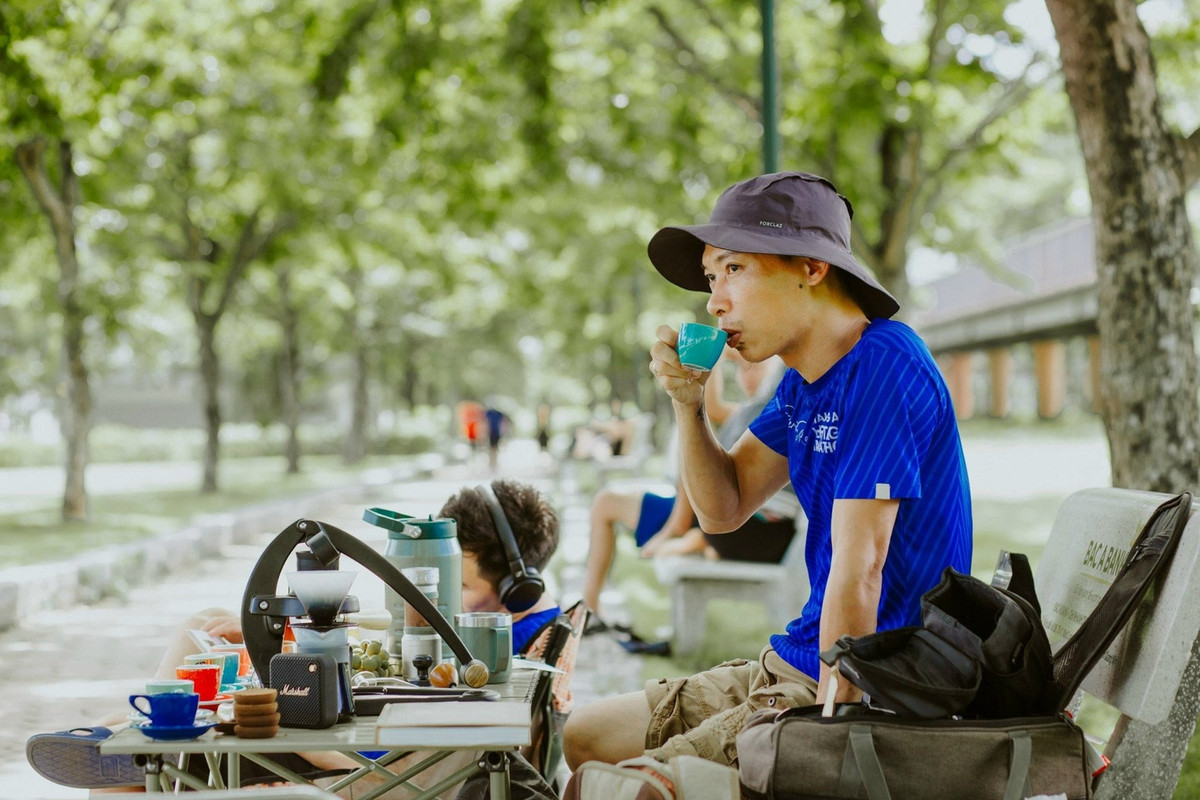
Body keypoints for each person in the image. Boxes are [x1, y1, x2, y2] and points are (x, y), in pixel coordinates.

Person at [563, 171, 972, 769]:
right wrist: (688, 404)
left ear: (811, 267)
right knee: (586, 735)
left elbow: (861, 572)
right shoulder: (802, 385)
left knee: (628, 785)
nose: (714, 300)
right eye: (711, 277)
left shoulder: (885, 363)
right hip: (793, 659)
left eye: (734, 269)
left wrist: (828, 737)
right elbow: (722, 509)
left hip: (872, 682)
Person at [29, 479, 563, 795]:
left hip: (352, 759)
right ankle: (119, 735)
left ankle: (126, 740)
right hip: (365, 738)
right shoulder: (524, 626)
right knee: (205, 623)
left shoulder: (494, 643)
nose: (441, 599)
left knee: (115, 784)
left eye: (459, 583)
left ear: (516, 586)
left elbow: (431, 722)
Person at [580, 349, 800, 620]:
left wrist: (676, 526)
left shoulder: (775, 406)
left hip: (748, 526)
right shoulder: (746, 412)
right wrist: (716, 354)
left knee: (612, 499)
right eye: (741, 370)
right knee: (616, 497)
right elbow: (713, 406)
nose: (746, 377)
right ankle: (691, 539)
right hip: (738, 522)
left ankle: (588, 611)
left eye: (753, 368)